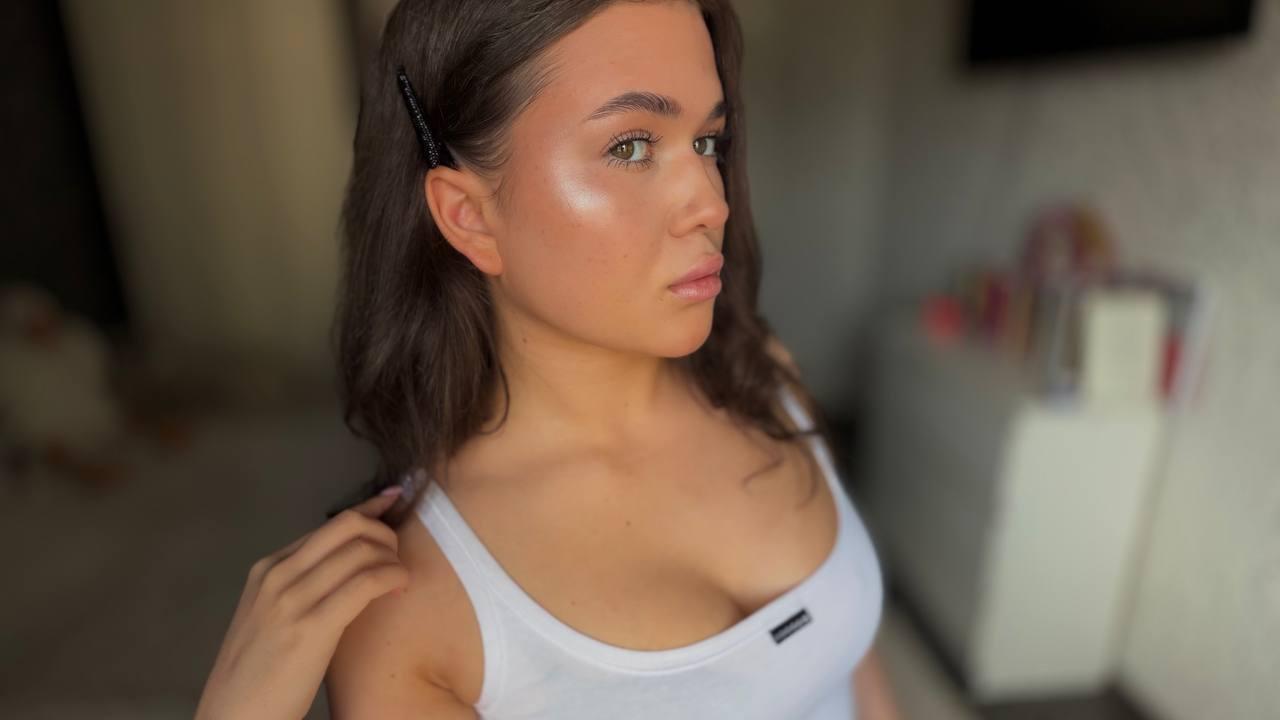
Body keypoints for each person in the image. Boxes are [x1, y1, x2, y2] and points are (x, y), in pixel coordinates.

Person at [200, 0, 904, 717]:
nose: (710, 203)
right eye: (630, 147)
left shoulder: (763, 378)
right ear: (471, 217)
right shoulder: (414, 613)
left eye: (707, 141)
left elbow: (853, 672)